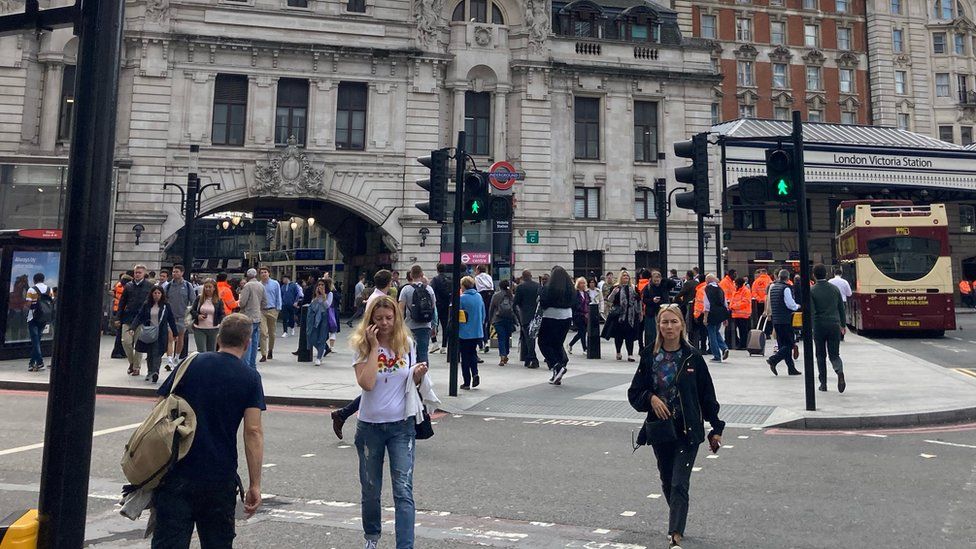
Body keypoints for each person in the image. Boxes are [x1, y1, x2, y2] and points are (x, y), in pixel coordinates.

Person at [151, 313, 265, 548]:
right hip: (218, 476)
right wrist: (255, 484)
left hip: (176, 470)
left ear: (218, 338)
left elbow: (160, 406)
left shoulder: (190, 364)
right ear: (247, 343)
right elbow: (252, 431)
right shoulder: (250, 378)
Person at [627, 304, 724, 549]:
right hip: (660, 429)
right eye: (664, 322)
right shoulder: (649, 355)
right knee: (667, 479)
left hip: (688, 429)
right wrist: (651, 398)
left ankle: (675, 534)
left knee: (680, 482)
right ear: (658, 326)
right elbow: (635, 393)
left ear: (682, 324)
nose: (669, 327)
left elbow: (707, 396)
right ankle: (677, 517)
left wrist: (716, 427)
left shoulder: (693, 357)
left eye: (673, 322)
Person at [348, 296, 428, 549]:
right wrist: (373, 348)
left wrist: (417, 375)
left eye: (389, 318)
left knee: (404, 490)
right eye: (379, 318)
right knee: (371, 489)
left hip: (401, 426)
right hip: (370, 426)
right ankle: (372, 538)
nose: (384, 323)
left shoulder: (406, 343)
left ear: (397, 319)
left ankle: (405, 545)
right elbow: (367, 383)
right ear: (370, 319)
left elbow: (409, 385)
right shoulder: (361, 345)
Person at [810, 264, 847, 393]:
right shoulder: (834, 289)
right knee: (834, 354)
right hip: (834, 324)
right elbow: (841, 309)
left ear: (814, 275)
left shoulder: (812, 290)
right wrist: (843, 324)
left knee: (820, 355)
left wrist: (812, 327)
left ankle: (823, 384)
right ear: (826, 274)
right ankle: (839, 371)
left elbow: (812, 312)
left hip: (819, 325)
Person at [131, 285, 179, 383]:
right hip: (149, 331)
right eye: (155, 293)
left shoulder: (166, 305)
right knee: (150, 352)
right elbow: (139, 316)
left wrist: (175, 333)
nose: (156, 295)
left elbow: (171, 319)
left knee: (157, 353)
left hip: (161, 333)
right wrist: (133, 328)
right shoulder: (147, 305)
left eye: (159, 293)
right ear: (151, 294)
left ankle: (155, 372)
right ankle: (150, 371)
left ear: (162, 294)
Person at [537, 266, 575, 384]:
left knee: (543, 342)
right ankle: (558, 371)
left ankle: (556, 366)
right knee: (558, 343)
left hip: (550, 317)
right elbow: (575, 302)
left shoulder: (548, 288)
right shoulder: (571, 289)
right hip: (567, 316)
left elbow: (542, 302)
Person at [117, 264, 152, 376]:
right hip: (128, 318)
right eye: (136, 272)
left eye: (139, 272)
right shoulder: (128, 286)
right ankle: (131, 362)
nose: (137, 274)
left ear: (144, 274)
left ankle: (136, 367)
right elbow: (122, 302)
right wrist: (118, 317)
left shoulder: (149, 286)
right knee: (125, 341)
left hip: (142, 319)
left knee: (138, 344)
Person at [398, 265, 437, 363]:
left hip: (409, 325)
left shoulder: (406, 289)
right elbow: (433, 307)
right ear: (422, 274)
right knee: (423, 353)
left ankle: (411, 375)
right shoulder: (429, 289)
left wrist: (399, 325)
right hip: (425, 325)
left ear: (411, 275)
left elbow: (400, 309)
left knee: (408, 353)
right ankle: (423, 376)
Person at [766, 269, 802, 376]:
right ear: (788, 277)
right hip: (785, 320)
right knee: (790, 344)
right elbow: (790, 304)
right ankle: (773, 360)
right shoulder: (785, 288)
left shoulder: (773, 287)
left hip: (776, 320)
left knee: (783, 345)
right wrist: (797, 306)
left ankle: (791, 368)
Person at [605, 271, 642, 362]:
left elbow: (639, 300)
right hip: (619, 315)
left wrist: (640, 312)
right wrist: (613, 293)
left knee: (630, 335)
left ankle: (630, 354)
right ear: (620, 277)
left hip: (631, 315)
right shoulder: (616, 287)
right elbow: (609, 300)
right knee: (619, 335)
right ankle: (618, 352)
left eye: (627, 276)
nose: (626, 277)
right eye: (624, 276)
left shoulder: (633, 288)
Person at [164, 265, 195, 370]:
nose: (174, 274)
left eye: (177, 272)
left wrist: (190, 315)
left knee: (180, 337)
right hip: (170, 317)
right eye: (173, 272)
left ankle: (177, 357)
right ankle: (169, 359)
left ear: (182, 273)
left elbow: (193, 301)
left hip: (182, 316)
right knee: (170, 338)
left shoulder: (187, 285)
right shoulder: (168, 286)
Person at [459, 276, 485, 389]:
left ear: (463, 286)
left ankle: (466, 382)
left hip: (464, 332)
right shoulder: (479, 297)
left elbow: (458, 316)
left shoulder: (462, 298)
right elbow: (483, 313)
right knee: (473, 353)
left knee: (464, 357)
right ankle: (475, 373)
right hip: (477, 331)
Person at [237, 268, 267, 369]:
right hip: (257, 316)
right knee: (254, 341)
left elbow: (242, 303)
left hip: (248, 317)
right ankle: (253, 365)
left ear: (248, 276)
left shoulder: (247, 286)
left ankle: (246, 365)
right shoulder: (261, 285)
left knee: (246, 341)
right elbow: (264, 302)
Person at [513, 269, 541, 369]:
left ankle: (533, 359)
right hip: (537, 316)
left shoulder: (520, 287)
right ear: (531, 276)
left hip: (525, 316)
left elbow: (515, 303)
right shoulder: (538, 286)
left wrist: (518, 315)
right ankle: (529, 358)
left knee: (529, 339)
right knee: (531, 338)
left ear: (523, 277)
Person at [25, 273, 53, 372]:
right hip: (44, 318)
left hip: (33, 317)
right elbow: (51, 302)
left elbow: (28, 304)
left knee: (35, 341)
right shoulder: (49, 290)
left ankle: (40, 362)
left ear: (34, 280)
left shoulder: (31, 290)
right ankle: (31, 363)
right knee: (37, 340)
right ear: (43, 279)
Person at [488, 279, 518, 366]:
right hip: (509, 319)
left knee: (501, 338)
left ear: (500, 286)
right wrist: (517, 320)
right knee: (507, 337)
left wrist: (490, 319)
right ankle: (506, 353)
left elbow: (491, 308)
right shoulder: (511, 296)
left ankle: (502, 356)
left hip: (498, 319)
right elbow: (515, 309)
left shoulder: (496, 296)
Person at [306, 278, 336, 366]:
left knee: (322, 338)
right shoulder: (316, 294)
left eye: (322, 285)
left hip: (324, 317)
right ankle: (321, 350)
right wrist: (316, 296)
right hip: (315, 317)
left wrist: (323, 295)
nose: (320, 286)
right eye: (319, 285)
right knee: (311, 336)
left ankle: (319, 358)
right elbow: (312, 304)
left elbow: (327, 305)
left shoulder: (329, 294)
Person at [702, 274, 730, 363]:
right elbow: (725, 303)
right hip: (720, 313)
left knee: (712, 335)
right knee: (716, 332)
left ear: (708, 281)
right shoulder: (720, 289)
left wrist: (705, 317)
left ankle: (716, 356)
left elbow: (707, 305)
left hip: (712, 313)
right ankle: (724, 348)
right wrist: (725, 317)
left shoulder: (707, 289)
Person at [191, 279, 225, 352]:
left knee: (211, 351)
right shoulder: (199, 298)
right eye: (206, 287)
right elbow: (192, 310)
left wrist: (219, 323)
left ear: (214, 288)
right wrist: (198, 316)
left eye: (210, 287)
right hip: (199, 328)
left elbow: (222, 314)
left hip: (213, 329)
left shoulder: (219, 300)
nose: (207, 289)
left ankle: (210, 364)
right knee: (202, 351)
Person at [257, 267, 281, 363]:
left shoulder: (275, 284)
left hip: (272, 310)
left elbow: (278, 296)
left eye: (265, 272)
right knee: (263, 333)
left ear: (269, 273)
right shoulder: (258, 285)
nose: (264, 274)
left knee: (272, 333)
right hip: (261, 311)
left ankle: (270, 350)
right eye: (262, 272)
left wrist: (278, 309)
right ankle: (263, 354)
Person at [641, 270, 671, 347]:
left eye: (658, 278)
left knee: (663, 331)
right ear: (651, 279)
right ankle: (650, 347)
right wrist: (653, 300)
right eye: (655, 279)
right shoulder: (648, 287)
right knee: (650, 332)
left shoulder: (664, 286)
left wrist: (663, 279)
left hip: (663, 311)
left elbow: (673, 283)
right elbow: (644, 299)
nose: (657, 280)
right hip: (651, 312)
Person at [429, 264, 451, 353]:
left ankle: (434, 343)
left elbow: (431, 292)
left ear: (437, 270)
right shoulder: (449, 280)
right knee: (445, 325)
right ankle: (444, 346)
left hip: (437, 305)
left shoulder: (435, 280)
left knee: (433, 324)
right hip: (446, 305)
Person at [567, 277, 590, 355]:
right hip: (578, 315)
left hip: (586, 316)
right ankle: (585, 348)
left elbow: (588, 303)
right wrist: (582, 310)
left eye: (584, 283)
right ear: (578, 284)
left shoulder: (586, 293)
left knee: (582, 332)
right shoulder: (575, 293)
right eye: (581, 283)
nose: (583, 284)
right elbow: (575, 304)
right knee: (582, 331)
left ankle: (570, 344)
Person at [474, 265, 494, 351]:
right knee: (488, 318)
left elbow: (477, 288)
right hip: (490, 295)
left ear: (478, 270)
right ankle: (487, 339)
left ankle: (482, 342)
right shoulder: (489, 276)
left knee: (481, 318)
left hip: (481, 296)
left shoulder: (477, 278)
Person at [111, 273, 131, 359]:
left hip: (117, 310)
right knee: (120, 333)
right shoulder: (125, 287)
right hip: (122, 311)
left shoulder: (118, 285)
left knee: (120, 333)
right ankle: (118, 351)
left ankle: (120, 351)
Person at [730, 277, 753, 350]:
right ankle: (741, 344)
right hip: (736, 314)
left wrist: (733, 306)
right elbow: (732, 300)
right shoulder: (736, 291)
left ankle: (744, 344)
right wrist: (731, 306)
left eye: (735, 284)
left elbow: (745, 302)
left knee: (743, 331)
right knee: (740, 330)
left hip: (743, 314)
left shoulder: (746, 291)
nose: (734, 285)